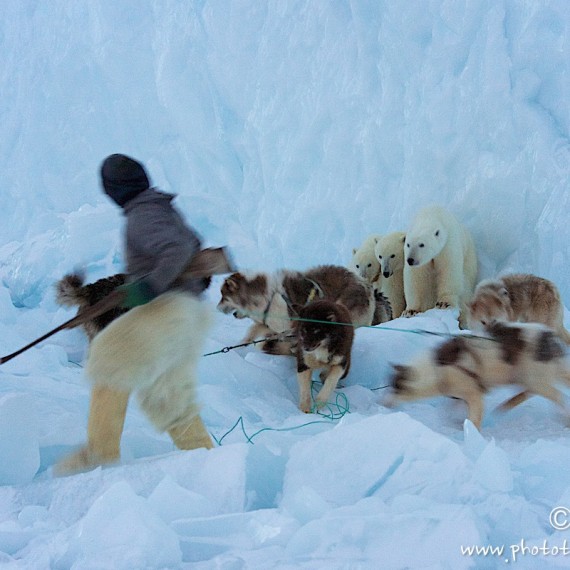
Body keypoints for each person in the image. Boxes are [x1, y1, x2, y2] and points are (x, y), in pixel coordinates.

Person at [55, 154, 215, 476]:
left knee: (108, 359)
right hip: (188, 312)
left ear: (115, 188)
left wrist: (148, 286)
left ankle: (100, 452)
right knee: (166, 391)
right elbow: (193, 243)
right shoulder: (159, 208)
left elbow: (177, 250)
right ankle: (206, 458)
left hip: (167, 308)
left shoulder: (144, 214)